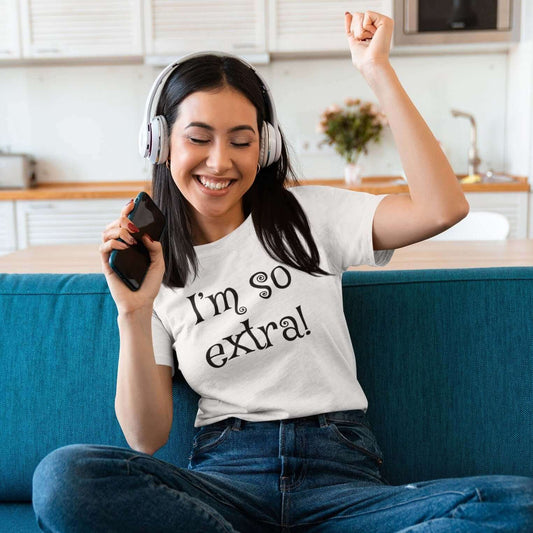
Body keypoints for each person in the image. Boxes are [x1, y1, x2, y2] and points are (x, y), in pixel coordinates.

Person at [33, 10, 533, 533]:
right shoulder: (158, 265)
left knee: (515, 504)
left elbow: (441, 209)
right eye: (199, 138)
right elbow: (146, 437)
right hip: (227, 488)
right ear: (160, 144)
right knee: (65, 478)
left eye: (241, 141)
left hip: (341, 484)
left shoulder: (310, 216)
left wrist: (377, 70)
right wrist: (133, 312)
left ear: (265, 147)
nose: (220, 161)